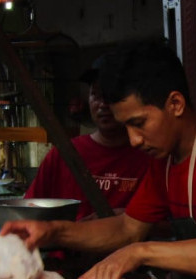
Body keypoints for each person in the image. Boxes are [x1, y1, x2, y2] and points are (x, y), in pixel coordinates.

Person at [2, 42, 196, 279]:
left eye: (139, 123)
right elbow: (128, 228)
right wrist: (52, 232)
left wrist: (140, 252)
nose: (133, 140)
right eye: (125, 126)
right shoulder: (163, 161)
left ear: (175, 103)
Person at [24, 56, 154, 220]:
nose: (102, 105)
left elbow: (169, 224)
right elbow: (29, 211)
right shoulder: (63, 155)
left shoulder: (148, 156)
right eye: (96, 95)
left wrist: (126, 218)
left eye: (110, 97)